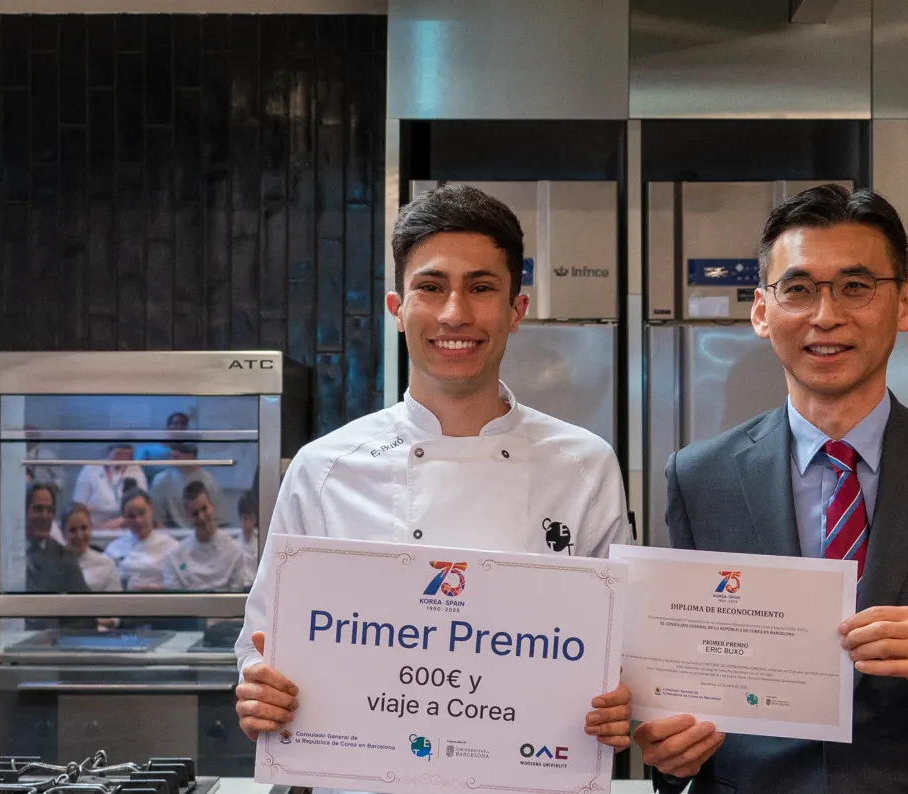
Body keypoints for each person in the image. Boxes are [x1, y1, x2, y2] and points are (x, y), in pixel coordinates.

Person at [638, 185, 908, 793]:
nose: (825, 316)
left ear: (907, 303)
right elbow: (682, 678)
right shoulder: (699, 476)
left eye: (855, 286)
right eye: (797, 289)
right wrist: (667, 748)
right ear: (761, 311)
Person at [232, 183, 634, 768]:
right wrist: (258, 693)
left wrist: (624, 699)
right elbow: (261, 649)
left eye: (481, 288)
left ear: (516, 310)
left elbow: (621, 654)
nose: (455, 314)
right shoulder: (324, 469)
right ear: (398, 309)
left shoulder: (583, 465)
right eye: (431, 287)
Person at [163, 481, 250, 591]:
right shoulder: (174, 558)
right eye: (195, 513)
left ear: (212, 505)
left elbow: (236, 600)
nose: (202, 517)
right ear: (187, 516)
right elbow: (175, 604)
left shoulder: (234, 552)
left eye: (204, 509)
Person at [103, 489, 179, 591]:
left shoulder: (171, 547)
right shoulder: (114, 548)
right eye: (131, 516)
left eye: (142, 513)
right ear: (124, 517)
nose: (138, 521)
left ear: (151, 509)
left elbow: (180, 587)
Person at [24, 483, 89, 594]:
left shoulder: (65, 558)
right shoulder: (4, 554)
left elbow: (83, 603)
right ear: (23, 511)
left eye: (50, 510)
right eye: (38, 509)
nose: (45, 516)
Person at [72, 443, 149, 528]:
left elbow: (142, 505)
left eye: (127, 455)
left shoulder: (135, 471)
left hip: (126, 527)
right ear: (109, 451)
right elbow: (77, 507)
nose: (123, 459)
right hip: (93, 529)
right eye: (119, 454)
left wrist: (121, 520)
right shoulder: (90, 470)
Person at [149, 443, 224, 529]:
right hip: (172, 536)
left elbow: (215, 518)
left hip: (203, 532)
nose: (174, 454)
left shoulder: (209, 480)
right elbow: (157, 520)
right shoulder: (161, 480)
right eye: (173, 449)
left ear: (192, 454)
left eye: (181, 450)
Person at [62, 505, 122, 592]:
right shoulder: (52, 564)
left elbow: (115, 603)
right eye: (72, 530)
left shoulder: (107, 565)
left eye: (84, 528)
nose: (79, 535)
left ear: (91, 528)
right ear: (63, 533)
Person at [137, 412, 191, 481]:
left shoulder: (188, 453)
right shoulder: (146, 451)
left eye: (183, 424)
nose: (179, 427)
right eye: (176, 423)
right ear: (168, 427)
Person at [236, 489, 259, 586]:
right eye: (245, 518)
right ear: (240, 518)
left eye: (251, 518)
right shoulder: (234, 546)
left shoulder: (262, 543)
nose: (248, 524)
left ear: (256, 518)